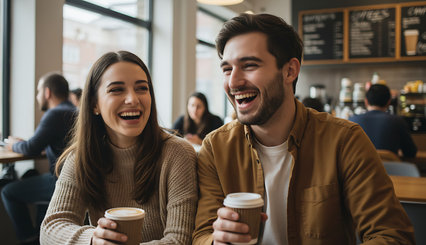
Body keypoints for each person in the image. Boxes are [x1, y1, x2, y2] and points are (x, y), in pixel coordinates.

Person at [192, 13, 414, 245]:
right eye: (227, 69)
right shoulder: (215, 148)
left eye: (249, 65)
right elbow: (201, 235)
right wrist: (217, 241)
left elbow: (392, 235)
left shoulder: (344, 141)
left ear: (290, 71)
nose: (233, 82)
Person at [40, 51, 198, 244]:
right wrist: (92, 239)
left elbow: (179, 240)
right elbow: (50, 229)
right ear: (94, 105)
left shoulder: (178, 153)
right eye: (116, 90)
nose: (132, 99)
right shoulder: (81, 157)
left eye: (142, 88)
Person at [2, 72, 77, 245]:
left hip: (61, 181)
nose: (37, 96)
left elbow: (30, 147)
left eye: (38, 91)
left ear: (47, 93)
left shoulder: (54, 114)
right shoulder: (74, 111)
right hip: (77, 179)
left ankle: (29, 239)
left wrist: (13, 144)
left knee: (8, 192)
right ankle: (41, 236)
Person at [349, 84, 417, 158]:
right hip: (392, 169)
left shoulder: (352, 121)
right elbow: (410, 152)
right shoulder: (397, 121)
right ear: (389, 102)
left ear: (366, 101)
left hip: (361, 169)